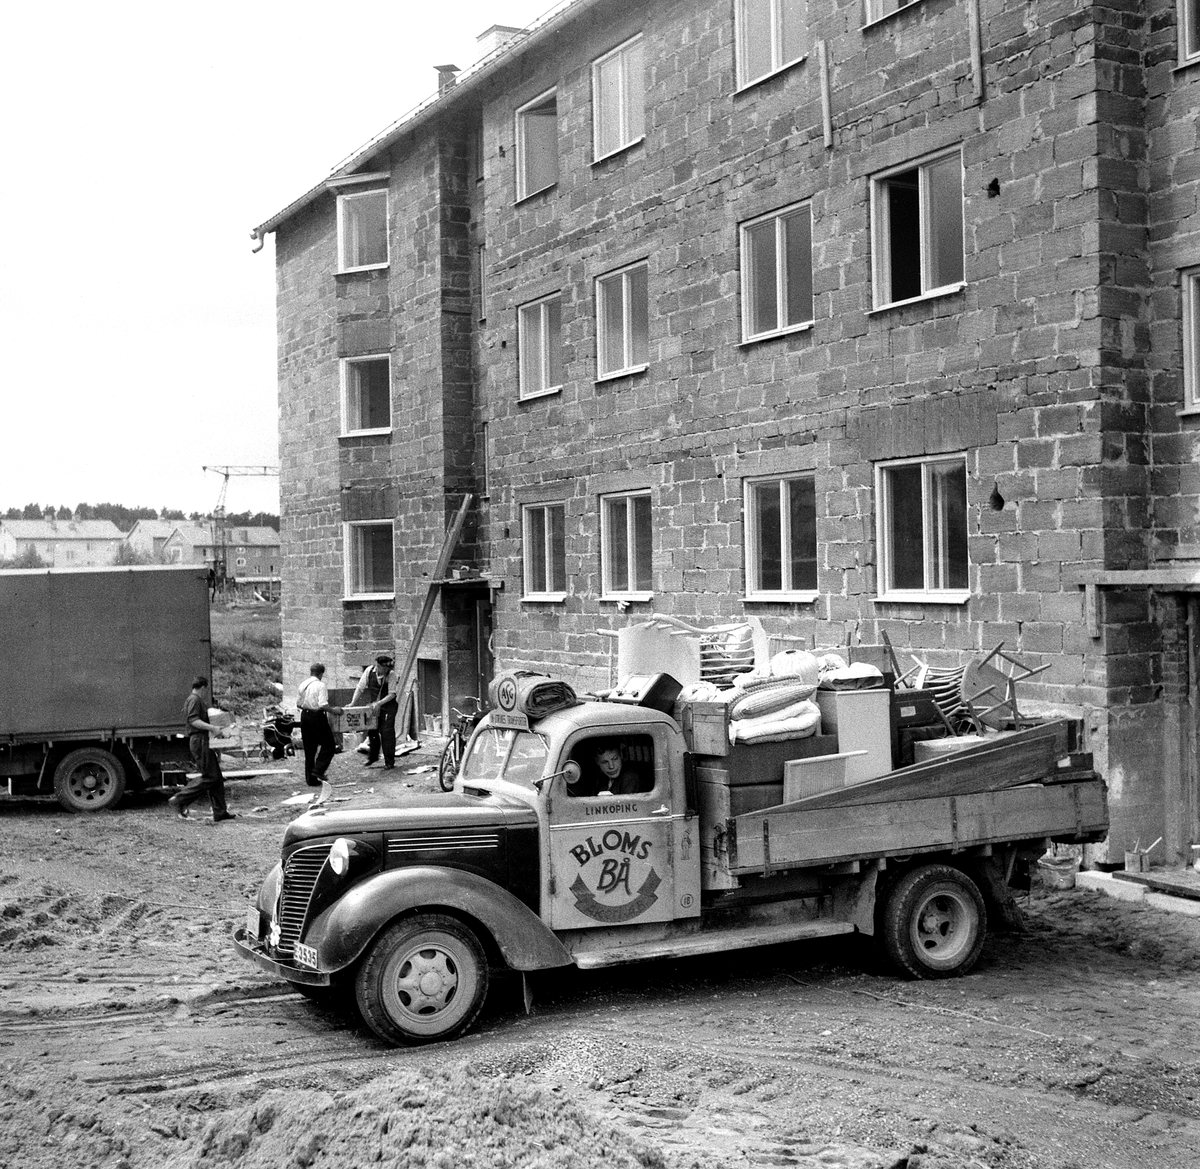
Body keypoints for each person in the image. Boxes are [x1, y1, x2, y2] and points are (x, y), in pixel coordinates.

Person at [169, 676, 235, 823]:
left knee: (216, 777)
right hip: (200, 740)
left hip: (203, 740)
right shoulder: (194, 700)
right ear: (203, 687)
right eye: (206, 689)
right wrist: (212, 728)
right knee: (210, 776)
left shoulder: (195, 700)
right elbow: (194, 720)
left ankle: (220, 812)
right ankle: (180, 798)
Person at [297, 663, 342, 788]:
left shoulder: (303, 685)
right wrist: (334, 710)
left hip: (305, 717)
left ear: (311, 672)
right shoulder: (320, 685)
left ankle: (311, 780)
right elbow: (323, 704)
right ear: (321, 674)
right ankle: (319, 770)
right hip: (317, 716)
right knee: (329, 745)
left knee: (309, 749)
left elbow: (298, 704)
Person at [351, 653, 399, 769]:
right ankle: (373, 757)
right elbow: (360, 687)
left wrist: (379, 703)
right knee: (372, 731)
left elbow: (392, 694)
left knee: (387, 733)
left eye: (387, 668)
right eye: (383, 668)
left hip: (388, 707)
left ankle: (389, 761)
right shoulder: (369, 671)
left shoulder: (391, 675)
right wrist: (353, 703)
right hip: (374, 707)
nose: (385, 670)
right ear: (378, 666)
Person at [567, 739, 647, 797]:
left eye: (615, 759)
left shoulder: (630, 777)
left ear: (621, 756)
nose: (611, 766)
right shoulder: (600, 778)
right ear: (597, 762)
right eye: (605, 762)